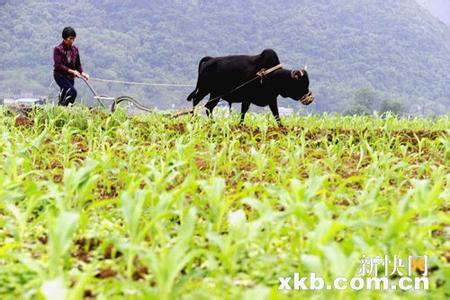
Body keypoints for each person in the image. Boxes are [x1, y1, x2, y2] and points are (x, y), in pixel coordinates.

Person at [53, 27, 89, 106]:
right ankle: (66, 109)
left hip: (70, 77)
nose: (72, 41)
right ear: (65, 38)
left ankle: (60, 110)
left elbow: (78, 64)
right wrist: (72, 71)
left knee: (64, 95)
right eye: (70, 38)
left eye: (73, 38)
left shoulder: (75, 49)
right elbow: (58, 65)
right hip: (60, 76)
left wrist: (82, 72)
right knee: (72, 92)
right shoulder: (58, 49)